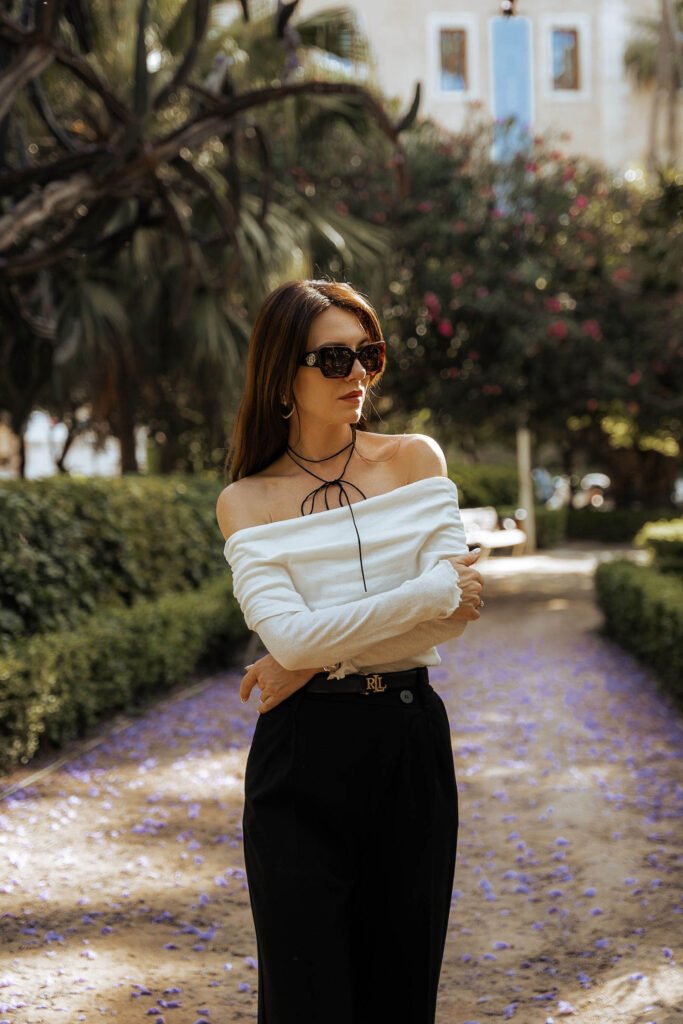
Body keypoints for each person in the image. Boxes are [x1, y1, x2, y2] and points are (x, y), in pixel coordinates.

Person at [216, 279, 484, 1024]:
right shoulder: (246, 500)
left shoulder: (413, 460)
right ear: (282, 374)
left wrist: (302, 660)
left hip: (407, 738)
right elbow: (297, 634)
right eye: (334, 359)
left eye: (369, 354)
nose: (359, 375)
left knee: (401, 991)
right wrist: (419, 595)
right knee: (305, 1001)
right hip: (300, 757)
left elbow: (456, 615)